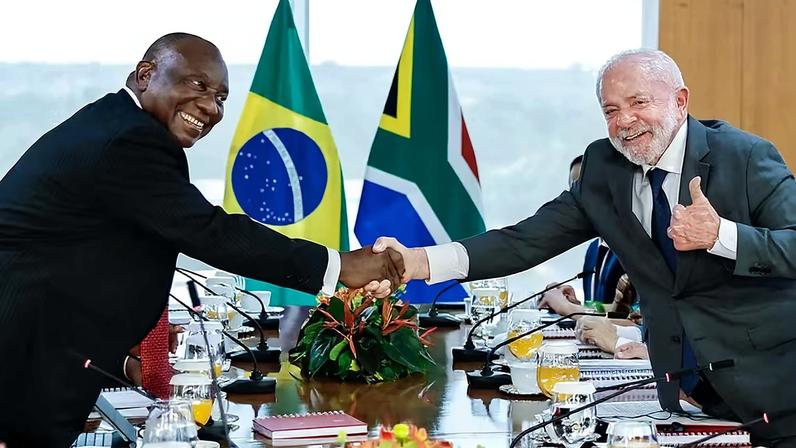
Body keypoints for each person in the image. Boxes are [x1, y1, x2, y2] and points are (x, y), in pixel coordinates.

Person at [0, 33, 402, 448]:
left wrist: (121, 352)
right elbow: (208, 231)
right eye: (197, 85)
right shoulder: (130, 140)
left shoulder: (115, 122)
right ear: (145, 75)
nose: (211, 107)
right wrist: (337, 266)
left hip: (39, 347)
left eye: (221, 97)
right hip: (18, 362)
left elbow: (93, 259)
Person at [375, 49, 796, 445]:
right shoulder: (603, 167)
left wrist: (723, 235)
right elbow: (524, 241)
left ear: (681, 101)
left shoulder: (744, 157)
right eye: (611, 110)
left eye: (639, 102)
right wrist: (419, 261)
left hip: (771, 392)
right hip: (683, 395)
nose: (625, 121)